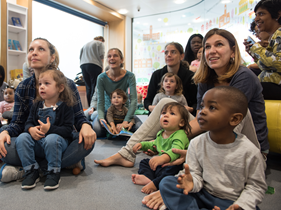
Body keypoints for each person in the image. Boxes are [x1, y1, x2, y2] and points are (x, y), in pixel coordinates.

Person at [95, 28, 266, 173]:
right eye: (207, 47)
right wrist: (166, 139)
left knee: (235, 113)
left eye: (219, 45)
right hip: (209, 133)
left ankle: (189, 159)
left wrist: (170, 139)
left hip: (241, 144)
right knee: (164, 103)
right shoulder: (205, 79)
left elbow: (223, 123)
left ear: (233, 51)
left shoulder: (244, 76)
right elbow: (202, 119)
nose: (211, 50)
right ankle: (126, 153)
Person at [0, 38, 96, 183]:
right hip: (31, 142)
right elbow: (18, 123)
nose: (34, 53)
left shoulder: (67, 84)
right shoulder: (23, 87)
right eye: (31, 49)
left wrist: (86, 126)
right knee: (3, 144)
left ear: (52, 57)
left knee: (87, 140)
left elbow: (79, 118)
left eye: (41, 49)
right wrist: (5, 132)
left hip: (57, 141)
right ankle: (58, 165)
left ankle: (27, 169)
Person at [159, 86, 266, 210]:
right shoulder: (196, 143)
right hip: (203, 194)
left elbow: (256, 187)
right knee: (167, 183)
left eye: (212, 108)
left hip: (232, 202)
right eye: (202, 106)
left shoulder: (250, 151)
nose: (202, 111)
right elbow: (195, 174)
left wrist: (239, 207)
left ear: (234, 119)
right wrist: (191, 182)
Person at [17, 68, 75, 190]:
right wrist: (31, 129)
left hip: (57, 144)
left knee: (52, 139)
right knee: (22, 138)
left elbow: (68, 130)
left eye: (46, 84)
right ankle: (31, 171)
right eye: (40, 84)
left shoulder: (66, 107)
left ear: (60, 88)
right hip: (38, 142)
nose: (41, 87)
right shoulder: (37, 104)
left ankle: (53, 172)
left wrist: (50, 129)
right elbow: (28, 123)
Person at [131, 102, 190, 194]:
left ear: (181, 122)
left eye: (172, 113)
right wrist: (142, 145)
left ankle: (156, 183)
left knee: (173, 171)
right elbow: (154, 144)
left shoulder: (180, 135)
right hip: (161, 165)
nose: (166, 115)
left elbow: (176, 151)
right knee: (145, 162)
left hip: (172, 165)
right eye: (163, 113)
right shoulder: (161, 133)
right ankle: (148, 178)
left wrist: (163, 158)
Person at [92, 48, 142, 138]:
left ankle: (120, 129)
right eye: (109, 56)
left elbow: (134, 100)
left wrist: (126, 121)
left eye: (115, 56)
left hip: (124, 111)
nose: (112, 58)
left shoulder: (130, 76)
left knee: (139, 128)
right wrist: (101, 118)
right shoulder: (101, 77)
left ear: (121, 60)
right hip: (109, 112)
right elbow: (100, 101)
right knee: (97, 130)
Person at [143, 42, 197, 113]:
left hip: (182, 115)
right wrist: (151, 107)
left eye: (173, 52)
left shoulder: (190, 76)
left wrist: (190, 109)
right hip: (159, 115)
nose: (168, 55)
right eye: (166, 53)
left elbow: (196, 102)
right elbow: (147, 100)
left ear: (181, 56)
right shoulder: (156, 75)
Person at [244, 0, 281, 100]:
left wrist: (256, 48)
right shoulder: (274, 36)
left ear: (278, 14)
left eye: (261, 14)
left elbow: (279, 64)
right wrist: (255, 55)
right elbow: (269, 67)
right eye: (256, 15)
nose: (256, 19)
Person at [80, 36, 105, 106]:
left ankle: (89, 107)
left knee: (88, 87)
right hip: (94, 65)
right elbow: (101, 55)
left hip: (83, 65)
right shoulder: (100, 43)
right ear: (101, 40)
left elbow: (80, 56)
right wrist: (102, 67)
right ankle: (93, 107)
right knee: (95, 87)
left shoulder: (85, 44)